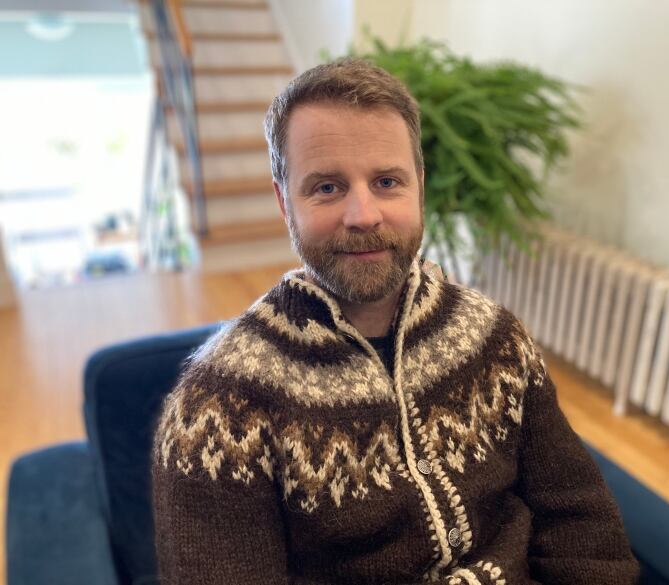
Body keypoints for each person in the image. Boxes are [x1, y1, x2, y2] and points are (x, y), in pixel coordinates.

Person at [151, 58, 640, 585]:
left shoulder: (495, 338)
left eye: (387, 181)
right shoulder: (218, 411)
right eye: (327, 188)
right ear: (283, 202)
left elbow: (581, 525)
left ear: (420, 187)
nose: (363, 214)